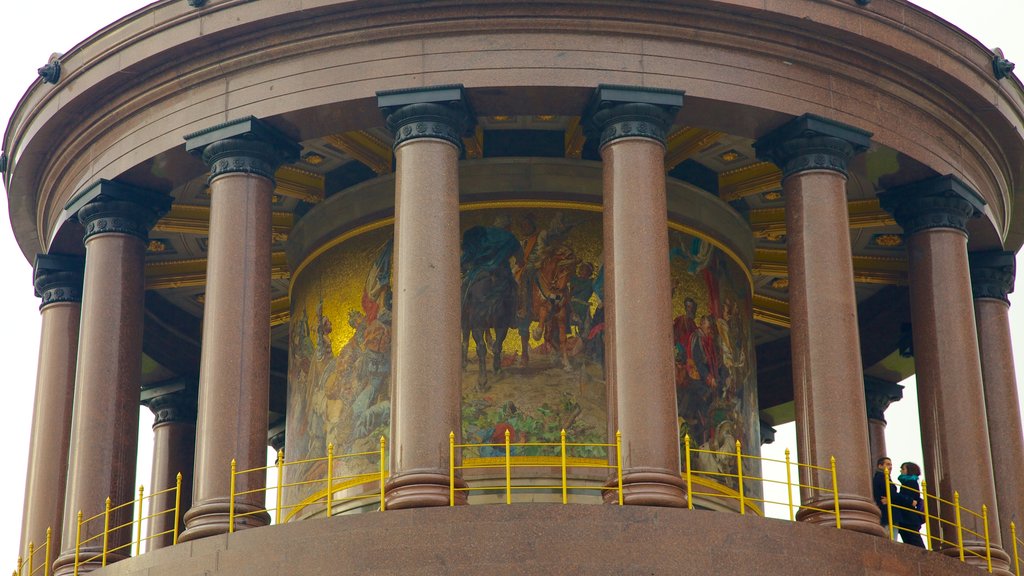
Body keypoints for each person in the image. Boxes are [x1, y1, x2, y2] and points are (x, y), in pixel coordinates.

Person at [895, 462, 926, 548]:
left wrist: (894, 495)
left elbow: (910, 498)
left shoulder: (911, 482)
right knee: (911, 541)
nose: (901, 471)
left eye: (903, 469)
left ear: (909, 470)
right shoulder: (909, 482)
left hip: (909, 518)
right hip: (908, 517)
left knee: (914, 541)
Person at [872, 457, 895, 527]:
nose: (890, 467)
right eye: (888, 464)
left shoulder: (884, 477)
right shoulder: (881, 477)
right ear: (880, 466)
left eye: (891, 465)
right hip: (887, 513)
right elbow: (892, 494)